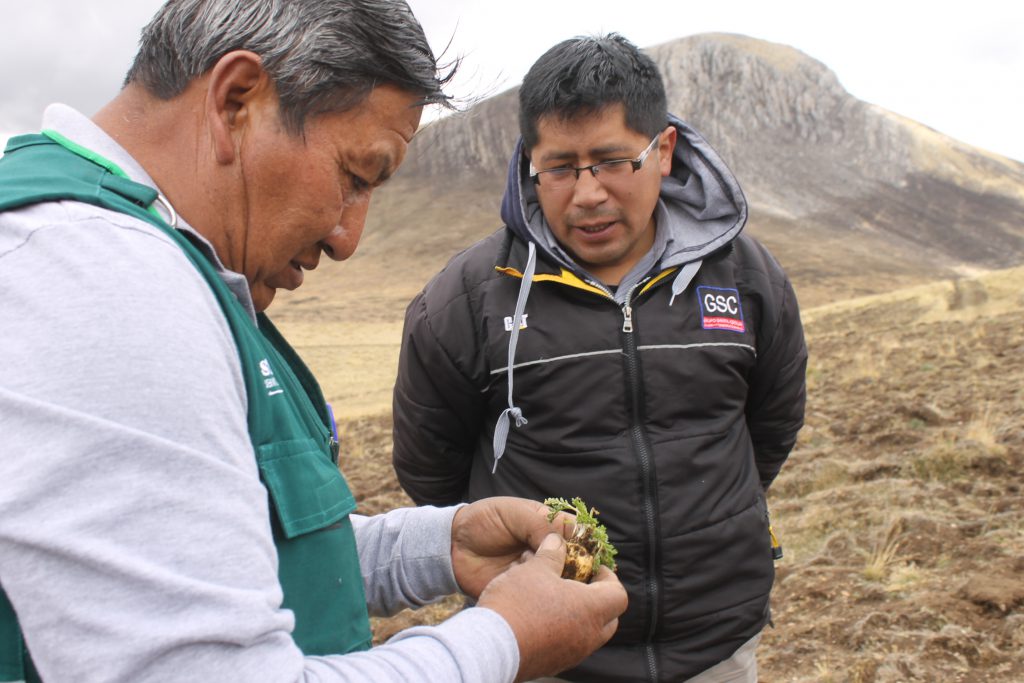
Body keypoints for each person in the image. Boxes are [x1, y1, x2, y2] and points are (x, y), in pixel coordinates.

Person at [0, 2, 628, 682]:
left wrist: (438, 546)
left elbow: (211, 551)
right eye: (355, 177)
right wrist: (502, 639)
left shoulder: (144, 257)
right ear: (237, 101)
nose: (347, 237)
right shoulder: (103, 281)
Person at [392, 33, 808, 682]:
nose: (587, 194)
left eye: (613, 160)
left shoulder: (747, 276)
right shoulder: (465, 299)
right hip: (545, 651)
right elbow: (432, 468)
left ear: (663, 150)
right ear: (529, 161)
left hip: (715, 641)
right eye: (559, 167)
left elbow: (772, 425)